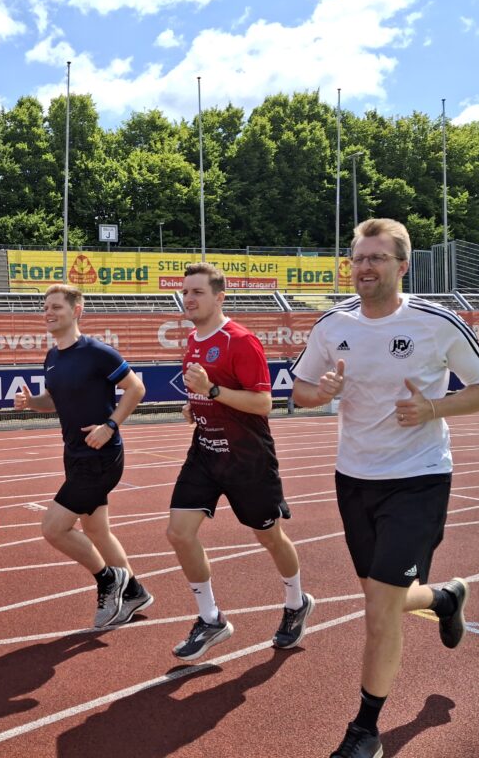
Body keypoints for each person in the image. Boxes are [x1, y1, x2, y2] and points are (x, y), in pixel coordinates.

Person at [290, 219, 479, 758]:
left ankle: (365, 730)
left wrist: (433, 407)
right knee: (381, 595)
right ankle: (444, 598)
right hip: (354, 478)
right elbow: (301, 391)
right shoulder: (332, 324)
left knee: (380, 610)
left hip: (418, 477)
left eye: (377, 258)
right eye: (359, 258)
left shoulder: (437, 322)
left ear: (402, 266)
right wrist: (323, 392)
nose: (365, 267)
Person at [167, 262, 314, 661]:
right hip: (205, 452)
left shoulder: (240, 340)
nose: (188, 299)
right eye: (186, 291)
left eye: (197, 292)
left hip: (247, 458)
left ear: (220, 297)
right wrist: (194, 404)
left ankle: (296, 602)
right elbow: (206, 392)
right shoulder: (193, 339)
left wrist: (212, 391)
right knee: (179, 533)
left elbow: (263, 403)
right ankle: (210, 618)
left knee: (269, 536)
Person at [14, 283, 153, 628]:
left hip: (101, 457)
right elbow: (52, 401)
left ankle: (108, 579)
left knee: (53, 528)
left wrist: (110, 425)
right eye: (45, 307)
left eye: (56, 307)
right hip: (74, 455)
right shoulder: (52, 357)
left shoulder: (97, 352)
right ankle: (133, 592)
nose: (48, 313)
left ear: (76, 311)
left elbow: (136, 388)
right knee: (96, 530)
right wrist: (32, 402)